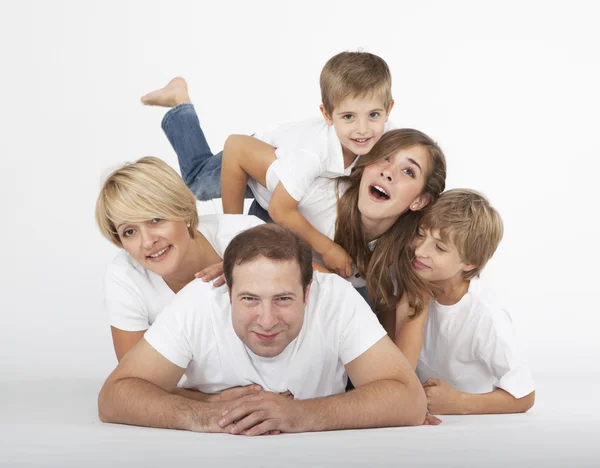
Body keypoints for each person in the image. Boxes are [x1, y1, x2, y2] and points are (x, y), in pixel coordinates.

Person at [98, 224, 427, 435]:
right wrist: (204, 415)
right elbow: (115, 395)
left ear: (308, 292)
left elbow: (410, 400)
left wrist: (299, 415)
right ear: (227, 294)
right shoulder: (198, 301)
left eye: (283, 298)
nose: (267, 321)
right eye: (249, 300)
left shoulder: (335, 297)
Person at [142, 51, 397, 277]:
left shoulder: (387, 136)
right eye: (349, 117)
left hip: (288, 183)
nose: (363, 129)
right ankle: (179, 102)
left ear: (388, 109)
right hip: (251, 161)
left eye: (373, 115)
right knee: (199, 182)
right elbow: (280, 209)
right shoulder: (310, 155)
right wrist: (234, 235)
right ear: (327, 115)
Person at [95, 156, 263, 364]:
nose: (147, 242)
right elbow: (135, 378)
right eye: (129, 232)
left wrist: (256, 272)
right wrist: (211, 399)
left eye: (155, 219)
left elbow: (314, 284)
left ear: (183, 211)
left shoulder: (246, 234)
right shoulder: (125, 276)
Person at [408, 189, 535, 414]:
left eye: (439, 247)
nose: (419, 250)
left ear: (469, 263)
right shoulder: (415, 280)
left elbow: (524, 395)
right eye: (420, 233)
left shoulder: (485, 316)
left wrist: (460, 402)